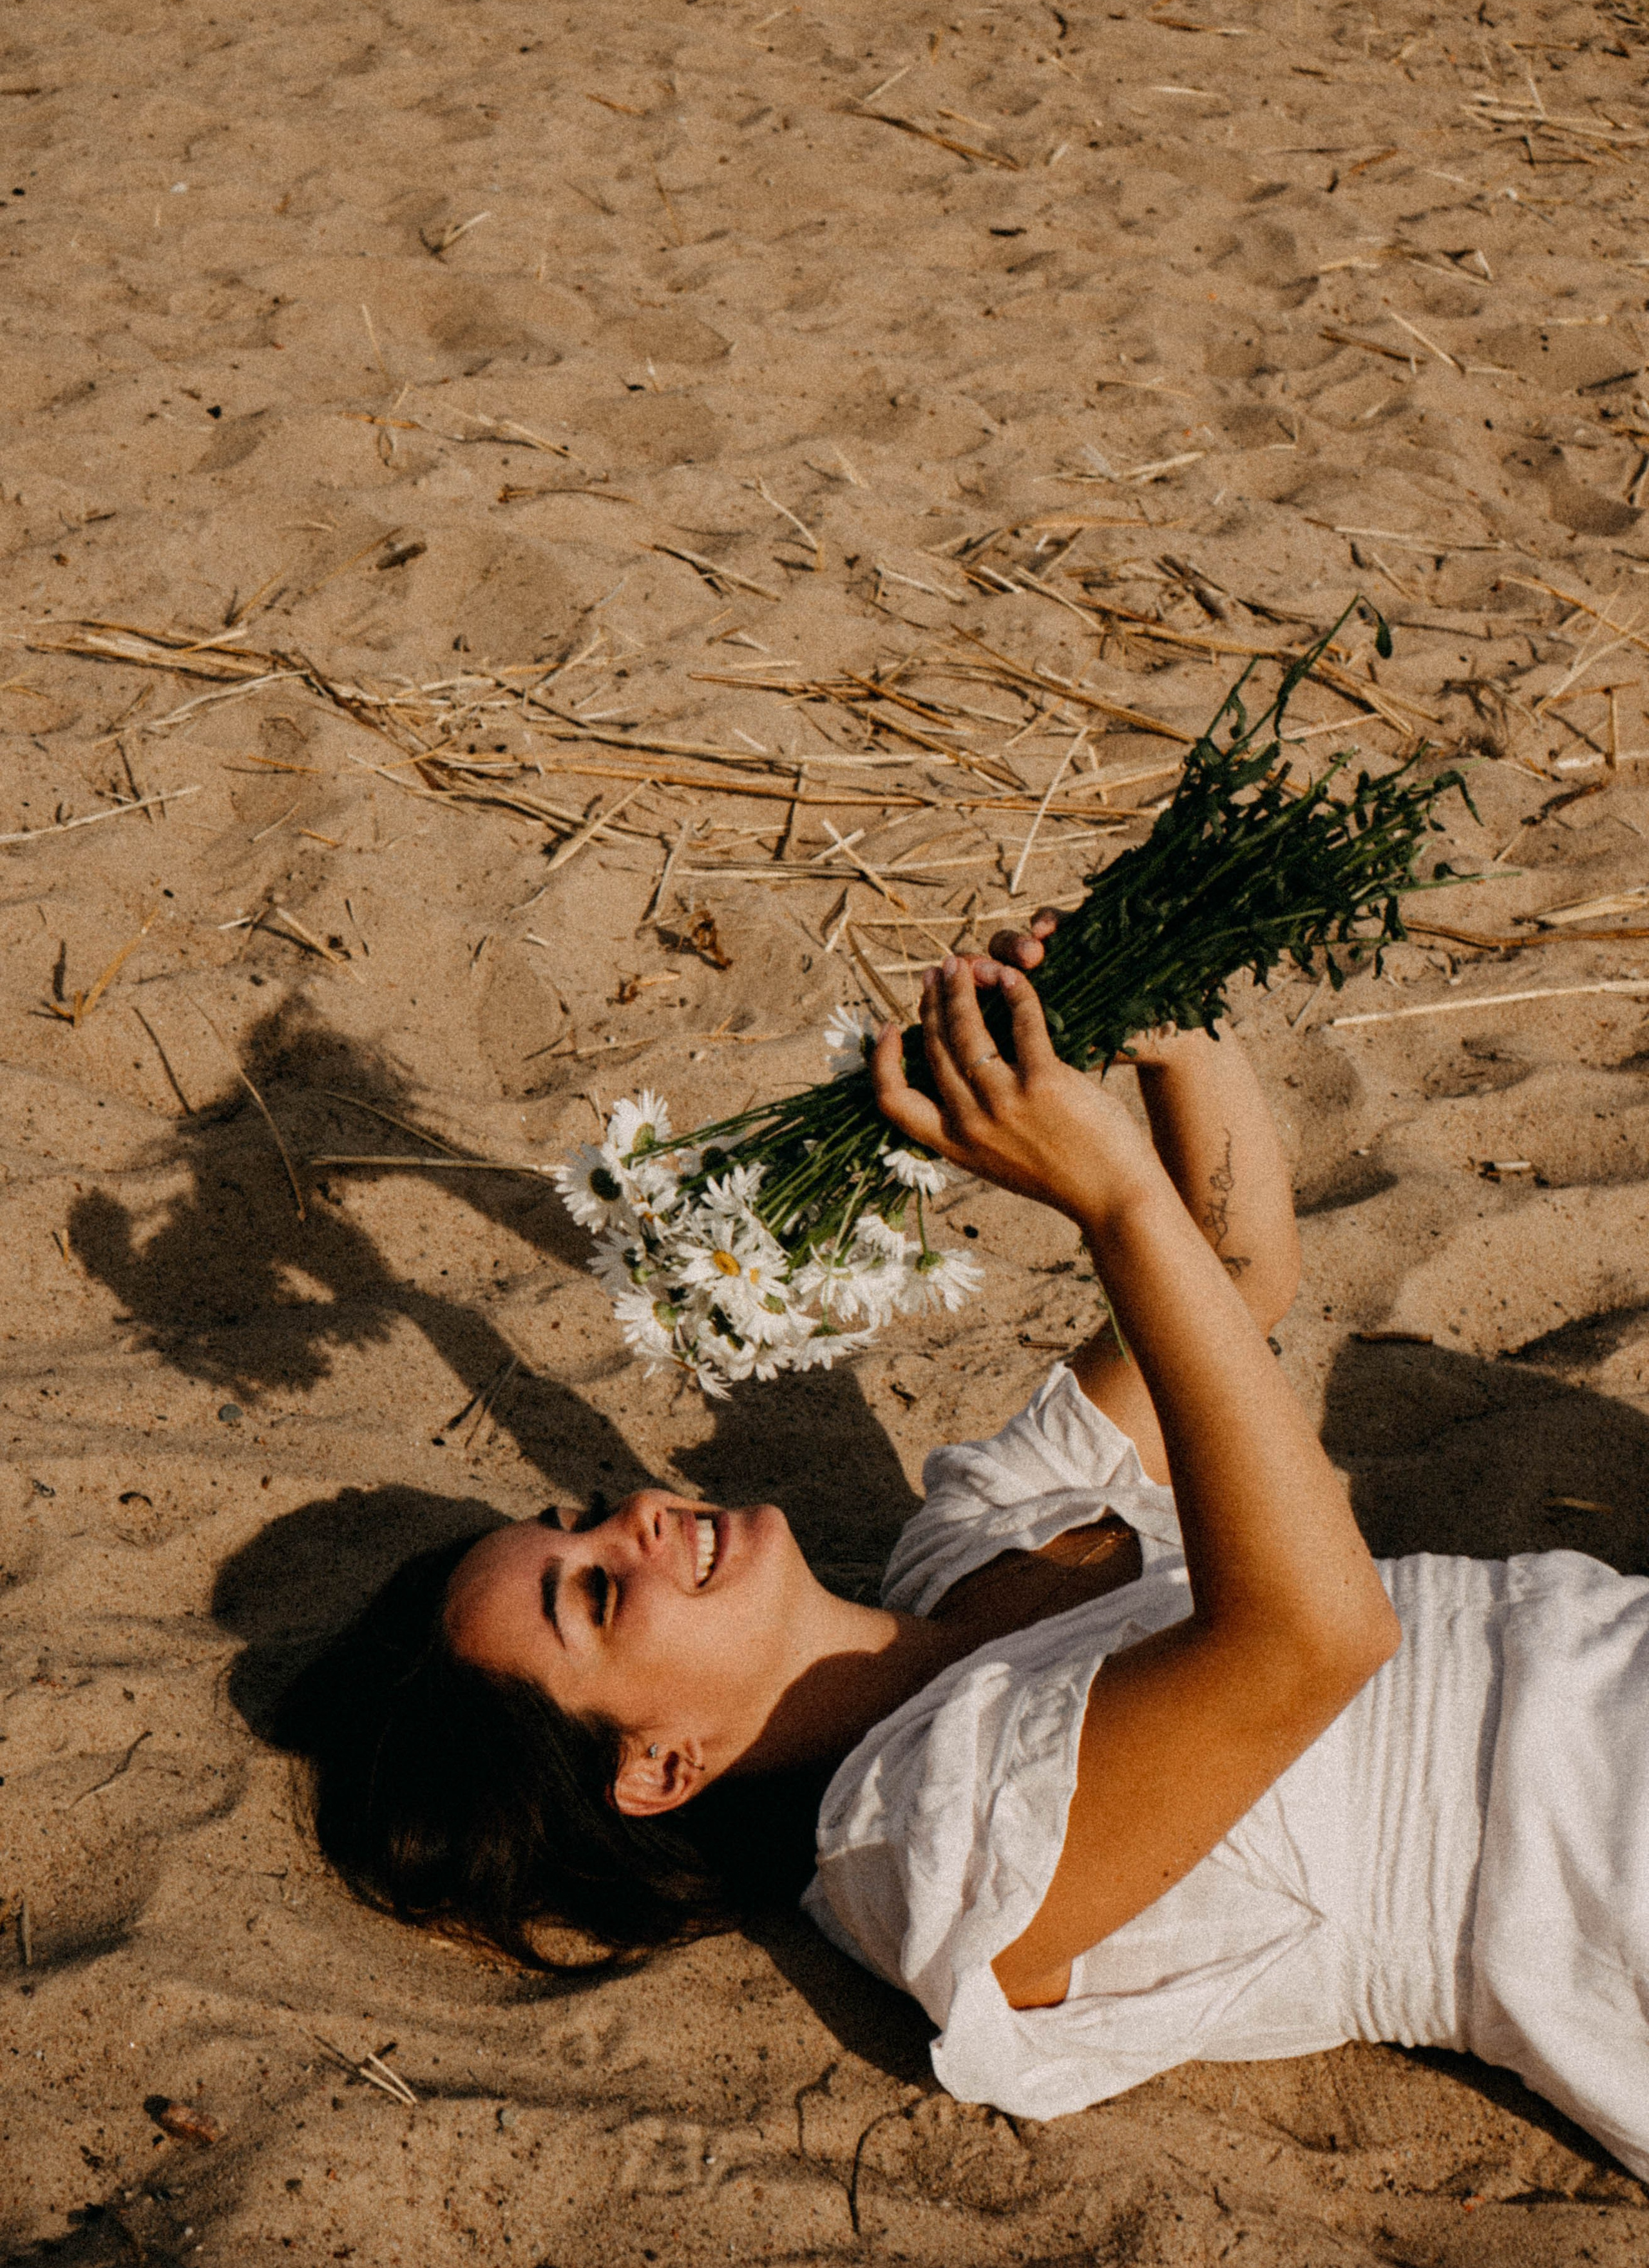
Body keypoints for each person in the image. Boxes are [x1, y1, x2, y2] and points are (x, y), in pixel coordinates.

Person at [267, 929, 1649, 2180]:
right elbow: (1317, 1638)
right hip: (1597, 1859)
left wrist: (1163, 1019)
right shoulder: (918, 1848)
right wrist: (1107, 1203)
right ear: (658, 1767)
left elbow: (1229, 1277)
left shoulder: (972, 1537)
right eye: (592, 1595)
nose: (627, 1520)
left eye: (575, 1521)